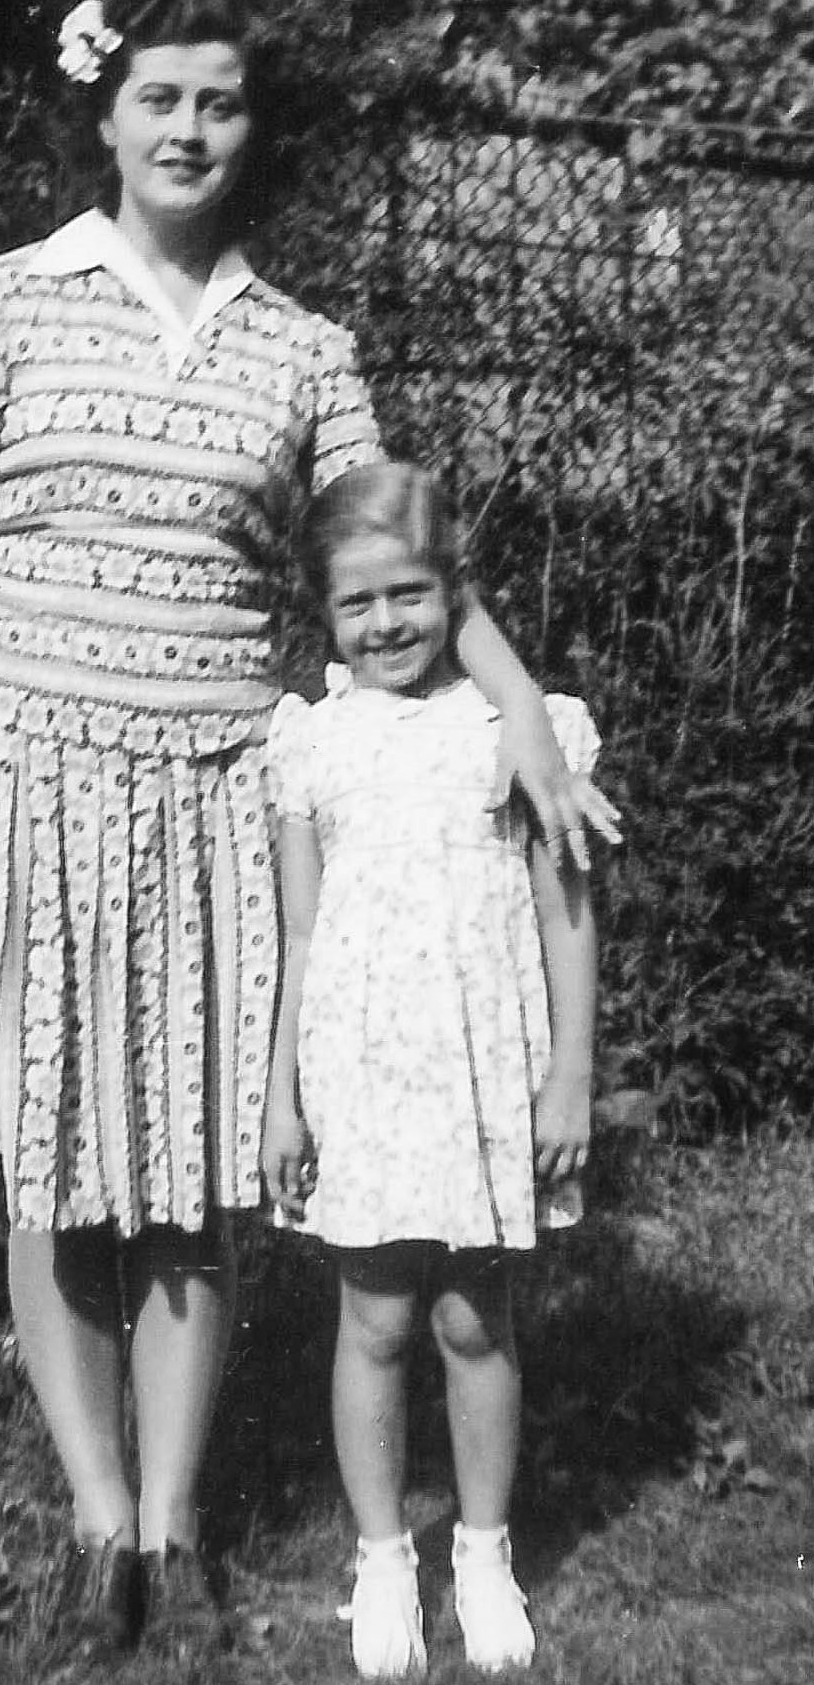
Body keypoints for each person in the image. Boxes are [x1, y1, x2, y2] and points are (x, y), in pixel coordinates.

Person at [0, 0, 617, 1665]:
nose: (190, 127)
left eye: (219, 100)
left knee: (194, 1180)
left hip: (221, 786)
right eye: (160, 97)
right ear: (105, 108)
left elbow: (386, 542)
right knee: (57, 1172)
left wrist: (518, 711)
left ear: (248, 122)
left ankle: (177, 1520)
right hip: (29, 782)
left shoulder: (301, 347)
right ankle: (89, 1527)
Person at [261, 462, 603, 1679]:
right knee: (376, 1317)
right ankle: (380, 1557)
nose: (385, 623)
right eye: (357, 604)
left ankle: (482, 1550)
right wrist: (277, 1097)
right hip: (357, 1077)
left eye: (409, 594)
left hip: (477, 1077)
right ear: (324, 613)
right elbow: (298, 935)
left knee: (472, 1316)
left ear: (453, 593)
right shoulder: (308, 742)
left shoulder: (519, 732)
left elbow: (566, 911)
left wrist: (571, 1069)